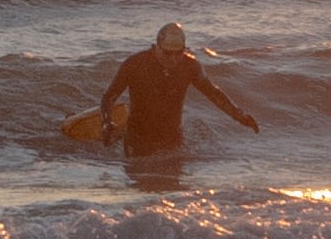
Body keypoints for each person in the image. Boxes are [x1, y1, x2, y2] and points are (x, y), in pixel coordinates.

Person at [99, 23, 259, 158]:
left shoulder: (190, 67)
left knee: (173, 191)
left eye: (179, 53)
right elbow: (109, 97)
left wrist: (240, 116)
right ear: (156, 47)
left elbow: (213, 93)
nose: (173, 59)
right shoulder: (135, 64)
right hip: (138, 141)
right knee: (141, 188)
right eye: (168, 53)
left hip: (172, 141)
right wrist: (107, 123)